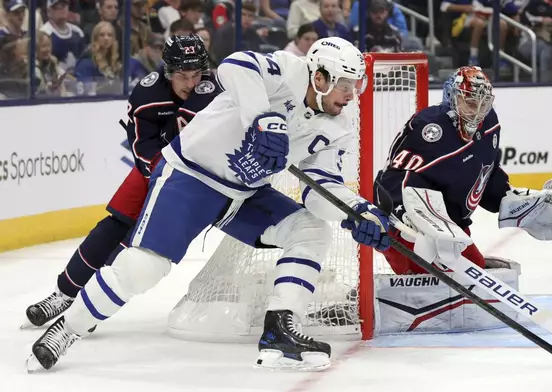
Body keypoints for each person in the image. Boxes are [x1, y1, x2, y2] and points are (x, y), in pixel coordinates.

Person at [26, 37, 390, 373]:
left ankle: (280, 328)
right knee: (143, 268)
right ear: (321, 76)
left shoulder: (339, 126)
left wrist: (355, 212)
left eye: (355, 87)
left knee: (311, 230)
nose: (350, 95)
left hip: (243, 194)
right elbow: (236, 65)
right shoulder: (288, 71)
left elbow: (320, 189)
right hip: (192, 176)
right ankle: (68, 329)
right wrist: (263, 118)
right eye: (344, 84)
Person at [22, 34, 220, 331]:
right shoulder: (148, 94)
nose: (190, 83)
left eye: (196, 74)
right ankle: (63, 294)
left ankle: (87, 305)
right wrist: (163, 173)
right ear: (168, 71)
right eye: (182, 75)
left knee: (134, 245)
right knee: (112, 227)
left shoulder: (216, 91)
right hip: (154, 171)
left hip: (194, 181)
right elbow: (143, 148)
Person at [375, 66, 552, 276]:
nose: (477, 110)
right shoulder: (430, 129)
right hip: (412, 233)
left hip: (452, 229)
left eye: (483, 103)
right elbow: (394, 177)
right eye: (469, 101)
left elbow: (486, 173)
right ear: (452, 98)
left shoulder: (489, 124)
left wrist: (513, 200)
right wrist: (405, 222)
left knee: (474, 278)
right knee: (462, 283)